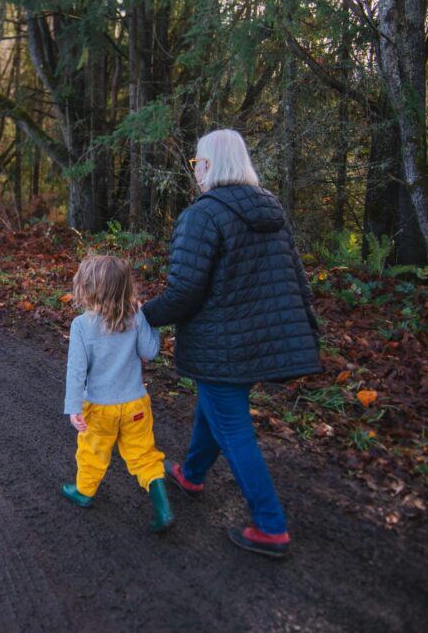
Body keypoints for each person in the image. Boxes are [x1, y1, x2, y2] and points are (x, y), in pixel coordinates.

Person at [141, 129, 322, 558]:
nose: (196, 170)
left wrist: (139, 317)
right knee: (216, 405)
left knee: (234, 427)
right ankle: (192, 473)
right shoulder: (270, 208)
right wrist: (308, 330)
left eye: (198, 162)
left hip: (224, 344)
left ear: (210, 165)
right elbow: (296, 278)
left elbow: (184, 291)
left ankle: (270, 525)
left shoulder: (203, 215)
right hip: (261, 340)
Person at [62, 255, 175, 533]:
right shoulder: (135, 317)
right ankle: (162, 508)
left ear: (87, 288)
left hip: (99, 408)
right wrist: (150, 321)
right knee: (143, 455)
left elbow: (77, 371)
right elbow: (150, 352)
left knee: (92, 452)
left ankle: (85, 491)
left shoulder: (81, 326)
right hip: (135, 404)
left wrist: (73, 406)